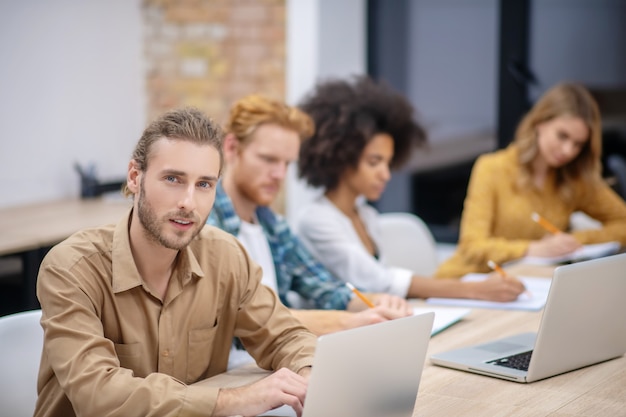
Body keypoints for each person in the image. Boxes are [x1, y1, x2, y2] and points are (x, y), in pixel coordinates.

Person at [35, 107, 318, 417]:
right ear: (135, 177)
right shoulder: (71, 268)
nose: (188, 202)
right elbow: (98, 395)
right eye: (173, 179)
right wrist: (234, 400)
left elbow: (286, 336)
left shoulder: (225, 257)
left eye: (204, 184)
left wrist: (307, 376)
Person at [295, 75, 525, 301]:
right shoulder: (316, 221)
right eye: (374, 162)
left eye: (388, 162)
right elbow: (379, 281)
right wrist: (475, 290)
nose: (385, 174)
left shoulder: (366, 215)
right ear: (341, 158)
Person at [206, 93, 413, 341]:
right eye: (268, 159)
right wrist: (347, 322)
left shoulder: (274, 227)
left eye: (287, 163)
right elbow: (247, 319)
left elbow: (323, 287)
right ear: (231, 148)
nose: (279, 174)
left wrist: (379, 302)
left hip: (280, 359)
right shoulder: (207, 227)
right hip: (231, 372)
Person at [434, 82, 626, 278]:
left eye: (578, 144)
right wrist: (532, 249)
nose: (568, 151)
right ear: (539, 123)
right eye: (562, 136)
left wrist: (575, 240)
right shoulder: (493, 168)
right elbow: (472, 246)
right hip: (468, 282)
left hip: (528, 285)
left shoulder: (574, 178)